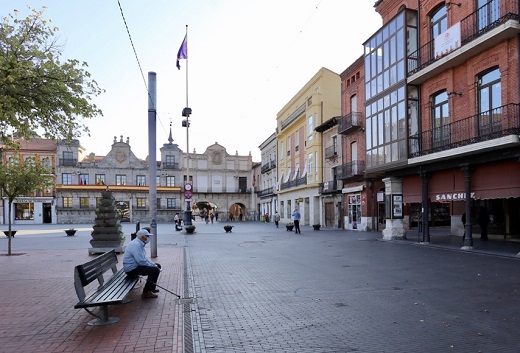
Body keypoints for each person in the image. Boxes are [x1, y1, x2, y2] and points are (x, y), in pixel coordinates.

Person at [123, 229, 162, 298]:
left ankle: (151, 288)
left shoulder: (139, 244)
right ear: (143, 237)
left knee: (157, 266)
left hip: (135, 266)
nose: (148, 238)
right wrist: (153, 266)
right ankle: (146, 292)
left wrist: (153, 264)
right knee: (154, 270)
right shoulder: (136, 245)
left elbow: (144, 259)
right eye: (147, 236)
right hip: (131, 269)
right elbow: (141, 261)